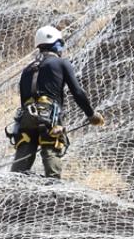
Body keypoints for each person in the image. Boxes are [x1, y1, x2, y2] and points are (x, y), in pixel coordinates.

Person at [10, 25, 105, 179]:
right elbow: (78, 92)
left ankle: (14, 183)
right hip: (48, 115)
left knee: (26, 144)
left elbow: (23, 100)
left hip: (26, 117)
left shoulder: (27, 69)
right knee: (51, 145)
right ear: (56, 43)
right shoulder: (61, 63)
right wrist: (91, 114)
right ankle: (53, 187)